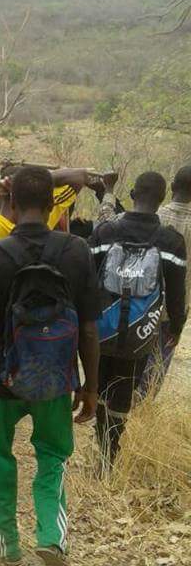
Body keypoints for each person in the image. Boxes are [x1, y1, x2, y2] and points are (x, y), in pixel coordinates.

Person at [0, 166, 101, 566]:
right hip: (57, 378)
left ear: (14, 203)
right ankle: (51, 535)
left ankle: (6, 544)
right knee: (53, 457)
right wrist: (89, 386)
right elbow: (89, 329)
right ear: (51, 202)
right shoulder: (76, 251)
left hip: (1, 382)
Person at [89, 171, 187, 467]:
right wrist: (177, 327)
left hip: (102, 328)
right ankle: (110, 450)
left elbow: (88, 279)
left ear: (131, 194)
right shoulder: (171, 241)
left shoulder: (105, 232)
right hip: (141, 330)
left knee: (101, 380)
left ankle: (100, 435)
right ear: (162, 200)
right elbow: (177, 295)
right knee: (125, 386)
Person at [138, 164, 191, 394]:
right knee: (157, 368)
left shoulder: (154, 217)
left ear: (172, 187)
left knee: (135, 358)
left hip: (142, 305)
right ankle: (144, 409)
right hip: (176, 310)